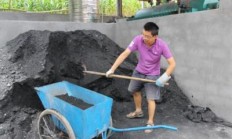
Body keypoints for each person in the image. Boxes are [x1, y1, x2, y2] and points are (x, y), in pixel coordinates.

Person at [106, 22, 176, 133]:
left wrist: (164, 77)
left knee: (151, 99)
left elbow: (172, 64)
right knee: (134, 90)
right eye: (143, 34)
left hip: (153, 74)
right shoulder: (138, 39)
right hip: (139, 71)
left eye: (147, 36)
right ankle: (138, 111)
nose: (144, 38)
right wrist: (112, 69)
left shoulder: (161, 45)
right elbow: (125, 54)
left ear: (155, 37)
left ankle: (150, 122)